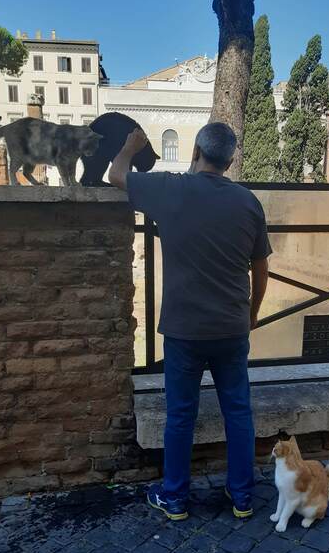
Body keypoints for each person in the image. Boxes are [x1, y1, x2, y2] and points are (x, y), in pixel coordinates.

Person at [109, 122, 271, 521]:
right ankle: (243, 498)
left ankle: (176, 497)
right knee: (238, 412)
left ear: (196, 151)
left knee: (181, 414)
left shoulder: (171, 189)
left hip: (184, 330)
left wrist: (131, 147)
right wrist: (251, 315)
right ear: (230, 159)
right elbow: (261, 267)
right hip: (232, 328)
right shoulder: (248, 202)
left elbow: (115, 176)